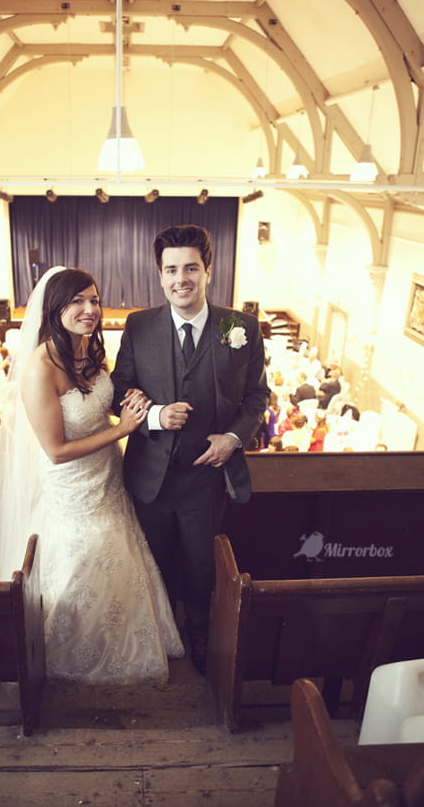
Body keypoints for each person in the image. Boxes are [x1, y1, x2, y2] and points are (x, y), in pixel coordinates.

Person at [0, 266, 184, 686]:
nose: (89, 309)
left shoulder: (90, 350)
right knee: (81, 559)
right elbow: (55, 451)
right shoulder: (40, 367)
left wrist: (131, 404)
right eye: (77, 301)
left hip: (109, 479)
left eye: (93, 299)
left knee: (122, 552)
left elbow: (99, 404)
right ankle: (62, 653)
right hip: (72, 490)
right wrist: (123, 429)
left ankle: (130, 645)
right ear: (55, 308)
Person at [111, 224, 269, 673]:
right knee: (155, 564)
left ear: (208, 271)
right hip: (150, 477)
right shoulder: (139, 325)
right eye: (171, 269)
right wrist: (155, 416)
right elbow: (120, 389)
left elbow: (258, 398)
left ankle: (201, 635)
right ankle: (160, 634)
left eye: (191, 268)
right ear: (160, 275)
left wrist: (234, 438)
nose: (181, 278)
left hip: (207, 479)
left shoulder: (242, 327)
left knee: (202, 568)